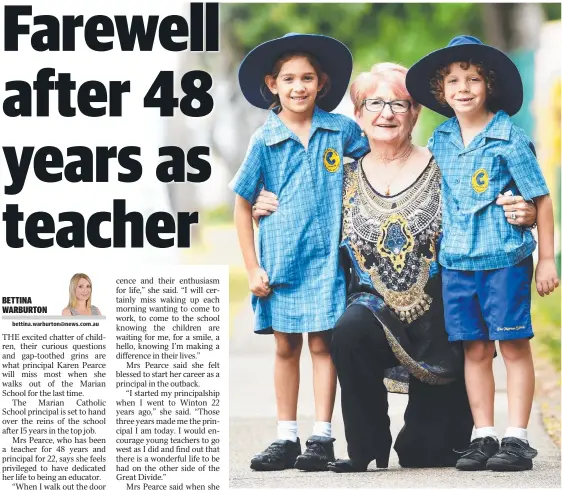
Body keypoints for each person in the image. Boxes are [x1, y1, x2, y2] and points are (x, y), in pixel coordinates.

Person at [253, 62, 538, 472]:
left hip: (441, 315)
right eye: (375, 103)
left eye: (399, 105)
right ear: (359, 115)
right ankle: (363, 447)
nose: (387, 113)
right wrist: (262, 208)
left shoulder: (444, 162)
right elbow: (302, 203)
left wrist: (522, 210)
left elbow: (493, 188)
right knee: (348, 327)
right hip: (375, 309)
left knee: (427, 455)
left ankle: (468, 430)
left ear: (416, 113)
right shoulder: (343, 175)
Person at [406, 35, 559, 472]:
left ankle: (517, 438)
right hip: (456, 263)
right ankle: (484, 435)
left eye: (473, 78)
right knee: (474, 350)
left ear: (488, 85)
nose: (463, 87)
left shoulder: (508, 135)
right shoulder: (439, 138)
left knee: (511, 345)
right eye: (453, 80)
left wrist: (546, 258)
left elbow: (541, 198)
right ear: (441, 91)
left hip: (504, 259)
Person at [230, 33, 370, 472]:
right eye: (288, 78)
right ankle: (286, 436)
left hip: (327, 261)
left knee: (323, 347)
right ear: (272, 84)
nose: (298, 87)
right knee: (286, 348)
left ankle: (321, 435)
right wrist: (252, 266)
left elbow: (372, 165)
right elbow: (240, 202)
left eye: (307, 77)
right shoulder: (264, 140)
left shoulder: (341, 130)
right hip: (280, 262)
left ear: (322, 83)